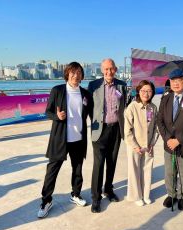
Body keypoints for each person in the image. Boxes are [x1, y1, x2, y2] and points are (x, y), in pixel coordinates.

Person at [37, 62, 93, 218]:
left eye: (78, 73)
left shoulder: (85, 94)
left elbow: (91, 114)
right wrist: (57, 116)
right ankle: (46, 200)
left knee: (77, 169)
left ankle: (75, 194)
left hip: (78, 139)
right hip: (60, 138)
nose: (75, 75)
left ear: (82, 75)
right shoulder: (58, 90)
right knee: (52, 171)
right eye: (72, 72)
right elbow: (48, 112)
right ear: (67, 74)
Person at [88, 58, 127, 213]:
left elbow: (126, 106)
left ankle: (108, 190)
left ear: (115, 69)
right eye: (106, 69)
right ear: (102, 70)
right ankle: (96, 198)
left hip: (116, 129)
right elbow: (88, 107)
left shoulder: (122, 85)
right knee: (99, 164)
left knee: (112, 161)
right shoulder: (93, 85)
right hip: (100, 130)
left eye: (111, 69)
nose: (109, 72)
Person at [157, 69, 183, 211]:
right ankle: (171, 194)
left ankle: (182, 196)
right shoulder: (166, 98)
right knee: (169, 172)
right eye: (172, 80)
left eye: (178, 80)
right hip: (168, 144)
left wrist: (179, 140)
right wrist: (168, 139)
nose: (175, 83)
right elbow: (159, 120)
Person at [124, 80, 158, 206]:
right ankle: (136, 196)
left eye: (149, 91)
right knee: (134, 170)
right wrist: (134, 146)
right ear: (138, 91)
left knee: (147, 169)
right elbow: (127, 129)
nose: (146, 93)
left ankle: (146, 194)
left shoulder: (153, 107)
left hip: (148, 145)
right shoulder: (132, 107)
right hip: (135, 145)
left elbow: (156, 128)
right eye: (143, 90)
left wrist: (152, 143)